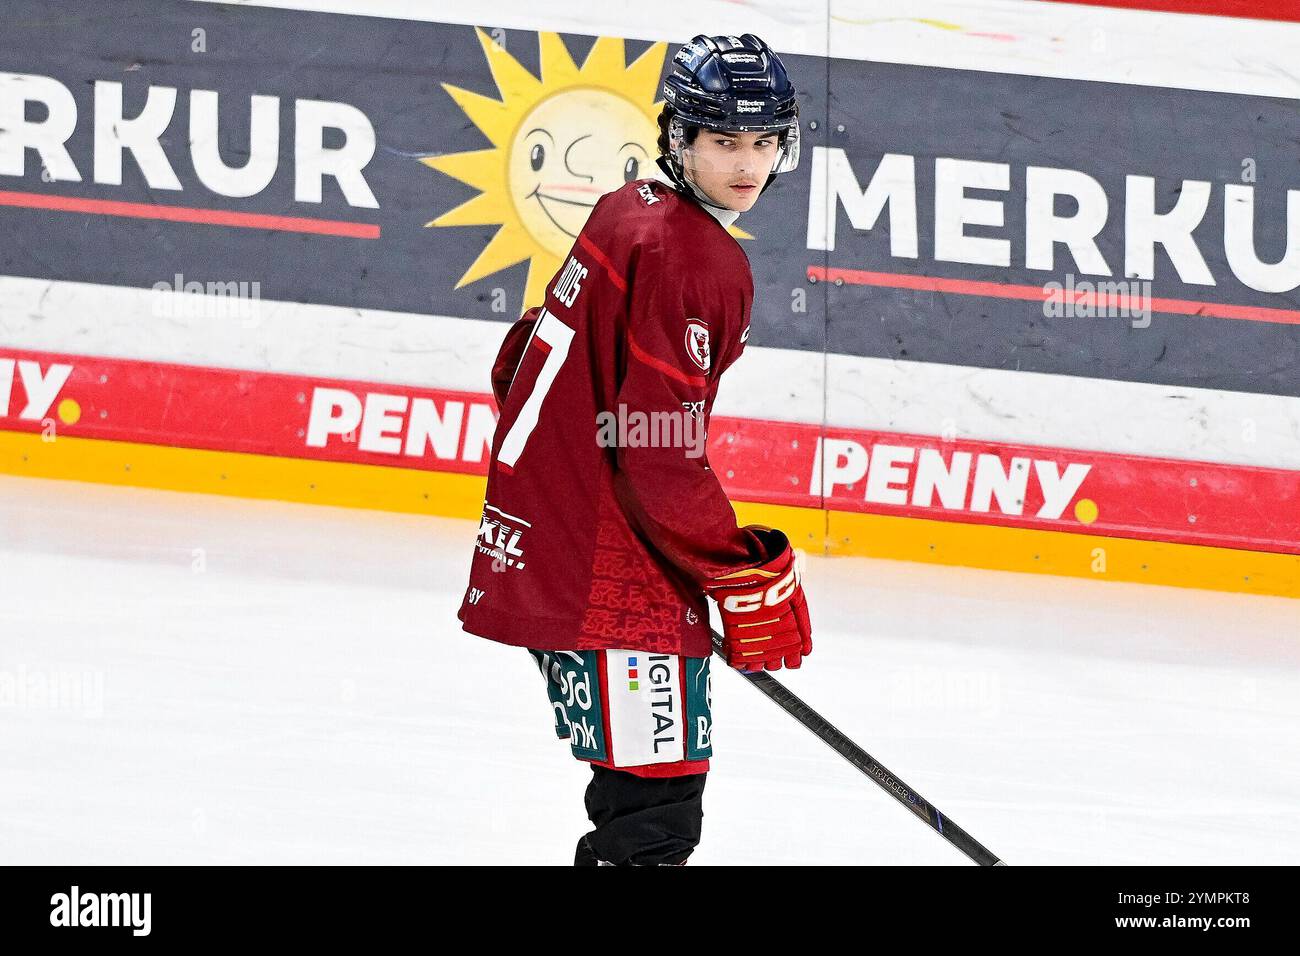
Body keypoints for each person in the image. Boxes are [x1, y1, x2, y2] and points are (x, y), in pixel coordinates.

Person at [457, 33, 813, 866]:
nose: (747, 165)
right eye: (724, 140)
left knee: (638, 810)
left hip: (552, 540)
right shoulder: (697, 261)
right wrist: (736, 565)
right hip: (609, 577)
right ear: (679, 138)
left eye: (764, 143)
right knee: (650, 827)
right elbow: (657, 450)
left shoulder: (627, 210)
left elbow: (516, 364)